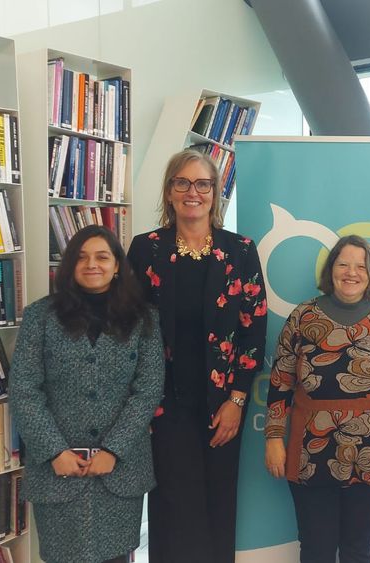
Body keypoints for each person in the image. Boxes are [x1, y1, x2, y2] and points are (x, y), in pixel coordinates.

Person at [127, 149, 268, 563]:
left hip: (222, 405)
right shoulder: (145, 249)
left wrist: (237, 401)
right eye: (183, 183)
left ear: (215, 192)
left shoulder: (240, 250)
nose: (193, 192)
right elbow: (128, 330)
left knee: (217, 506)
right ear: (169, 192)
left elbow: (254, 329)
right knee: (172, 509)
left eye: (203, 184)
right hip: (163, 405)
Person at [9, 225, 164, 563]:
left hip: (120, 472)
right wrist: (54, 451)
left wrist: (114, 449)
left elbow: (149, 389)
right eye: (82, 257)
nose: (92, 264)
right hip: (58, 470)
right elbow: (24, 389)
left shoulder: (144, 319)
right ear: (70, 266)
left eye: (102, 257)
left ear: (117, 265)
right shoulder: (40, 317)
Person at [264, 234, 370, 563]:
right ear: (331, 270)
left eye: (360, 266)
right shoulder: (303, 316)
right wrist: (274, 438)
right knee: (316, 549)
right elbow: (280, 381)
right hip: (312, 450)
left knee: (359, 549)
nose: (351, 273)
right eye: (343, 264)